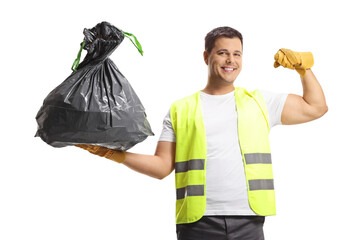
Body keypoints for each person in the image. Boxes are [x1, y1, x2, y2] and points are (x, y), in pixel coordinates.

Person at [77, 26, 328, 240]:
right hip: (197, 222)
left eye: (237, 54)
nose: (231, 60)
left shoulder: (260, 102)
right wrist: (112, 154)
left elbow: (316, 107)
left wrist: (303, 69)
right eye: (222, 53)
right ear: (206, 56)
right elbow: (162, 167)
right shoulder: (180, 109)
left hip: (249, 220)